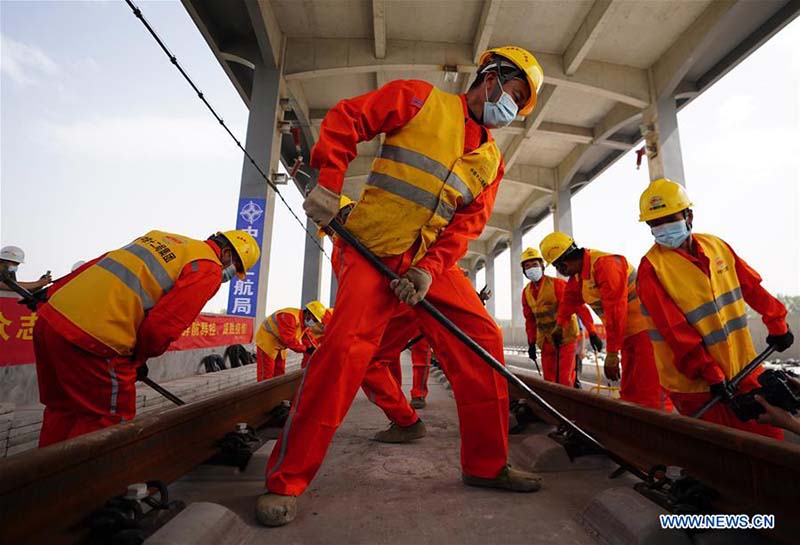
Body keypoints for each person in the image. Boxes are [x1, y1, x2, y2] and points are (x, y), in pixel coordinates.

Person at [257, 46, 546, 526]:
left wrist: (428, 269)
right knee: (343, 352)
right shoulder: (420, 99)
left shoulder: (491, 163)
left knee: (485, 342)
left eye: (519, 103)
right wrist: (329, 183)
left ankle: (486, 464)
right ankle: (285, 481)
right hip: (372, 246)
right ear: (490, 75)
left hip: (425, 263)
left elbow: (465, 227)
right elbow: (348, 119)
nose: (510, 108)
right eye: (511, 93)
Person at [33, 230, 259, 446]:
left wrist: (52, 291)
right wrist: (137, 361)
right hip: (95, 339)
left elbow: (101, 262)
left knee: (61, 409)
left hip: (50, 320)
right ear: (227, 253)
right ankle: (82, 485)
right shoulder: (208, 269)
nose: (229, 273)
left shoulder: (163, 238)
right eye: (235, 267)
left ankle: (42, 482)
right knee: (107, 422)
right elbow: (162, 327)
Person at [636, 178, 793, 439]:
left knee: (769, 440)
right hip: (696, 383)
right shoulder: (652, 268)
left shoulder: (716, 246)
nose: (663, 228)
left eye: (669, 218)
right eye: (655, 223)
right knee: (722, 452)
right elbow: (675, 330)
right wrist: (709, 372)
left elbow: (751, 286)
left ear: (689, 216)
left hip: (742, 367)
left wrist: (777, 323)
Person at [539, 232, 671, 411]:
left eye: (556, 266)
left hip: (648, 332)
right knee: (630, 390)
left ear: (563, 264)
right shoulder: (580, 276)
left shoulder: (605, 264)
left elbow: (616, 311)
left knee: (651, 391)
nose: (559, 272)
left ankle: (660, 434)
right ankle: (633, 432)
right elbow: (569, 301)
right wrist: (560, 326)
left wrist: (611, 353)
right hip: (628, 335)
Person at [520, 247, 600, 387]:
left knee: (564, 379)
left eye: (534, 265)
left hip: (565, 337)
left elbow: (579, 307)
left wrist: (592, 332)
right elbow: (530, 320)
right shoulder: (526, 292)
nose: (531, 268)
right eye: (527, 266)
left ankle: (567, 406)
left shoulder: (557, 285)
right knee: (549, 380)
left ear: (542, 266)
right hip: (545, 340)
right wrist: (531, 343)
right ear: (524, 271)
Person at [255, 301, 327, 381]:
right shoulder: (289, 317)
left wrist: (316, 350)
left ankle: (277, 393)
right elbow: (289, 341)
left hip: (280, 344)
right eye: (315, 320)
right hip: (267, 342)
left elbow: (308, 338)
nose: (314, 323)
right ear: (309, 314)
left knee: (279, 374)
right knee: (266, 375)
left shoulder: (303, 322)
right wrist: (306, 349)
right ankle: (265, 393)